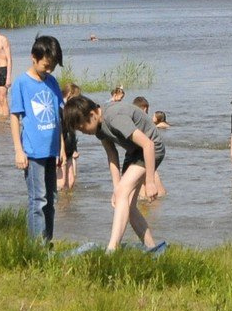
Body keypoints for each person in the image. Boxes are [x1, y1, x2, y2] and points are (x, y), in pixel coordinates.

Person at [63, 92, 165, 254]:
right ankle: (154, 250)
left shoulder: (114, 117)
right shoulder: (98, 127)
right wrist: (116, 189)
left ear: (92, 114)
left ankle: (112, 249)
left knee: (123, 192)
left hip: (151, 149)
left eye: (82, 127)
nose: (83, 132)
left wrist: (151, 181)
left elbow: (149, 145)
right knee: (127, 204)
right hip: (134, 152)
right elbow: (112, 155)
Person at [7, 35, 64, 240]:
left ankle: (47, 243)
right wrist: (18, 150)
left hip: (52, 151)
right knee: (38, 200)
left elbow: (59, 116)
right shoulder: (21, 83)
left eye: (53, 67)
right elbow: (14, 116)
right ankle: (35, 247)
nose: (49, 71)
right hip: (32, 151)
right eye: (46, 66)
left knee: (51, 199)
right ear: (34, 57)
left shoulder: (52, 82)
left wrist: (62, 148)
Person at [58, 78, 81, 190]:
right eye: (76, 98)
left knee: (71, 182)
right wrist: (61, 150)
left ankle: (69, 206)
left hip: (70, 148)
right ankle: (59, 205)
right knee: (62, 183)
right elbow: (59, 132)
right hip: (60, 150)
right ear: (69, 95)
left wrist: (75, 148)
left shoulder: (70, 110)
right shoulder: (59, 108)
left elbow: (72, 131)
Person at [142, 106, 169, 200]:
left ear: (158, 118)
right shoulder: (166, 125)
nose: (152, 118)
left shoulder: (158, 126)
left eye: (153, 116)